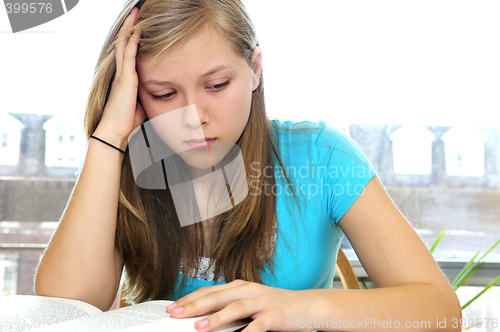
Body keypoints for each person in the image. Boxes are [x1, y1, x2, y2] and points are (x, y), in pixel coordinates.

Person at [35, 0, 462, 331]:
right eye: (163, 94)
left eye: (217, 85)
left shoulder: (321, 156)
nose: (192, 116)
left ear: (255, 69)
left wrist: (302, 307)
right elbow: (64, 307)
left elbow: (440, 311)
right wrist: (109, 137)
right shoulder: (130, 163)